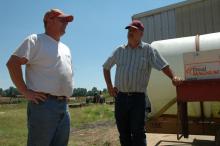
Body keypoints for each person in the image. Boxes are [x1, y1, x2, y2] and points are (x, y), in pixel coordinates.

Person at [103, 20, 182, 146]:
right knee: (123, 133)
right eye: (129, 30)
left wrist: (173, 77)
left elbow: (163, 65)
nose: (130, 32)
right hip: (121, 98)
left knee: (138, 132)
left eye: (133, 30)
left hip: (138, 99)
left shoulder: (148, 50)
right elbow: (106, 67)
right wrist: (109, 86)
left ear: (141, 33)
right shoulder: (119, 51)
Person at [6, 8, 74, 146]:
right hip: (43, 106)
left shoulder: (65, 48)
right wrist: (25, 91)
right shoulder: (36, 40)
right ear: (49, 20)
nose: (66, 23)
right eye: (62, 20)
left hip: (64, 106)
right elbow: (12, 63)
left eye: (67, 21)